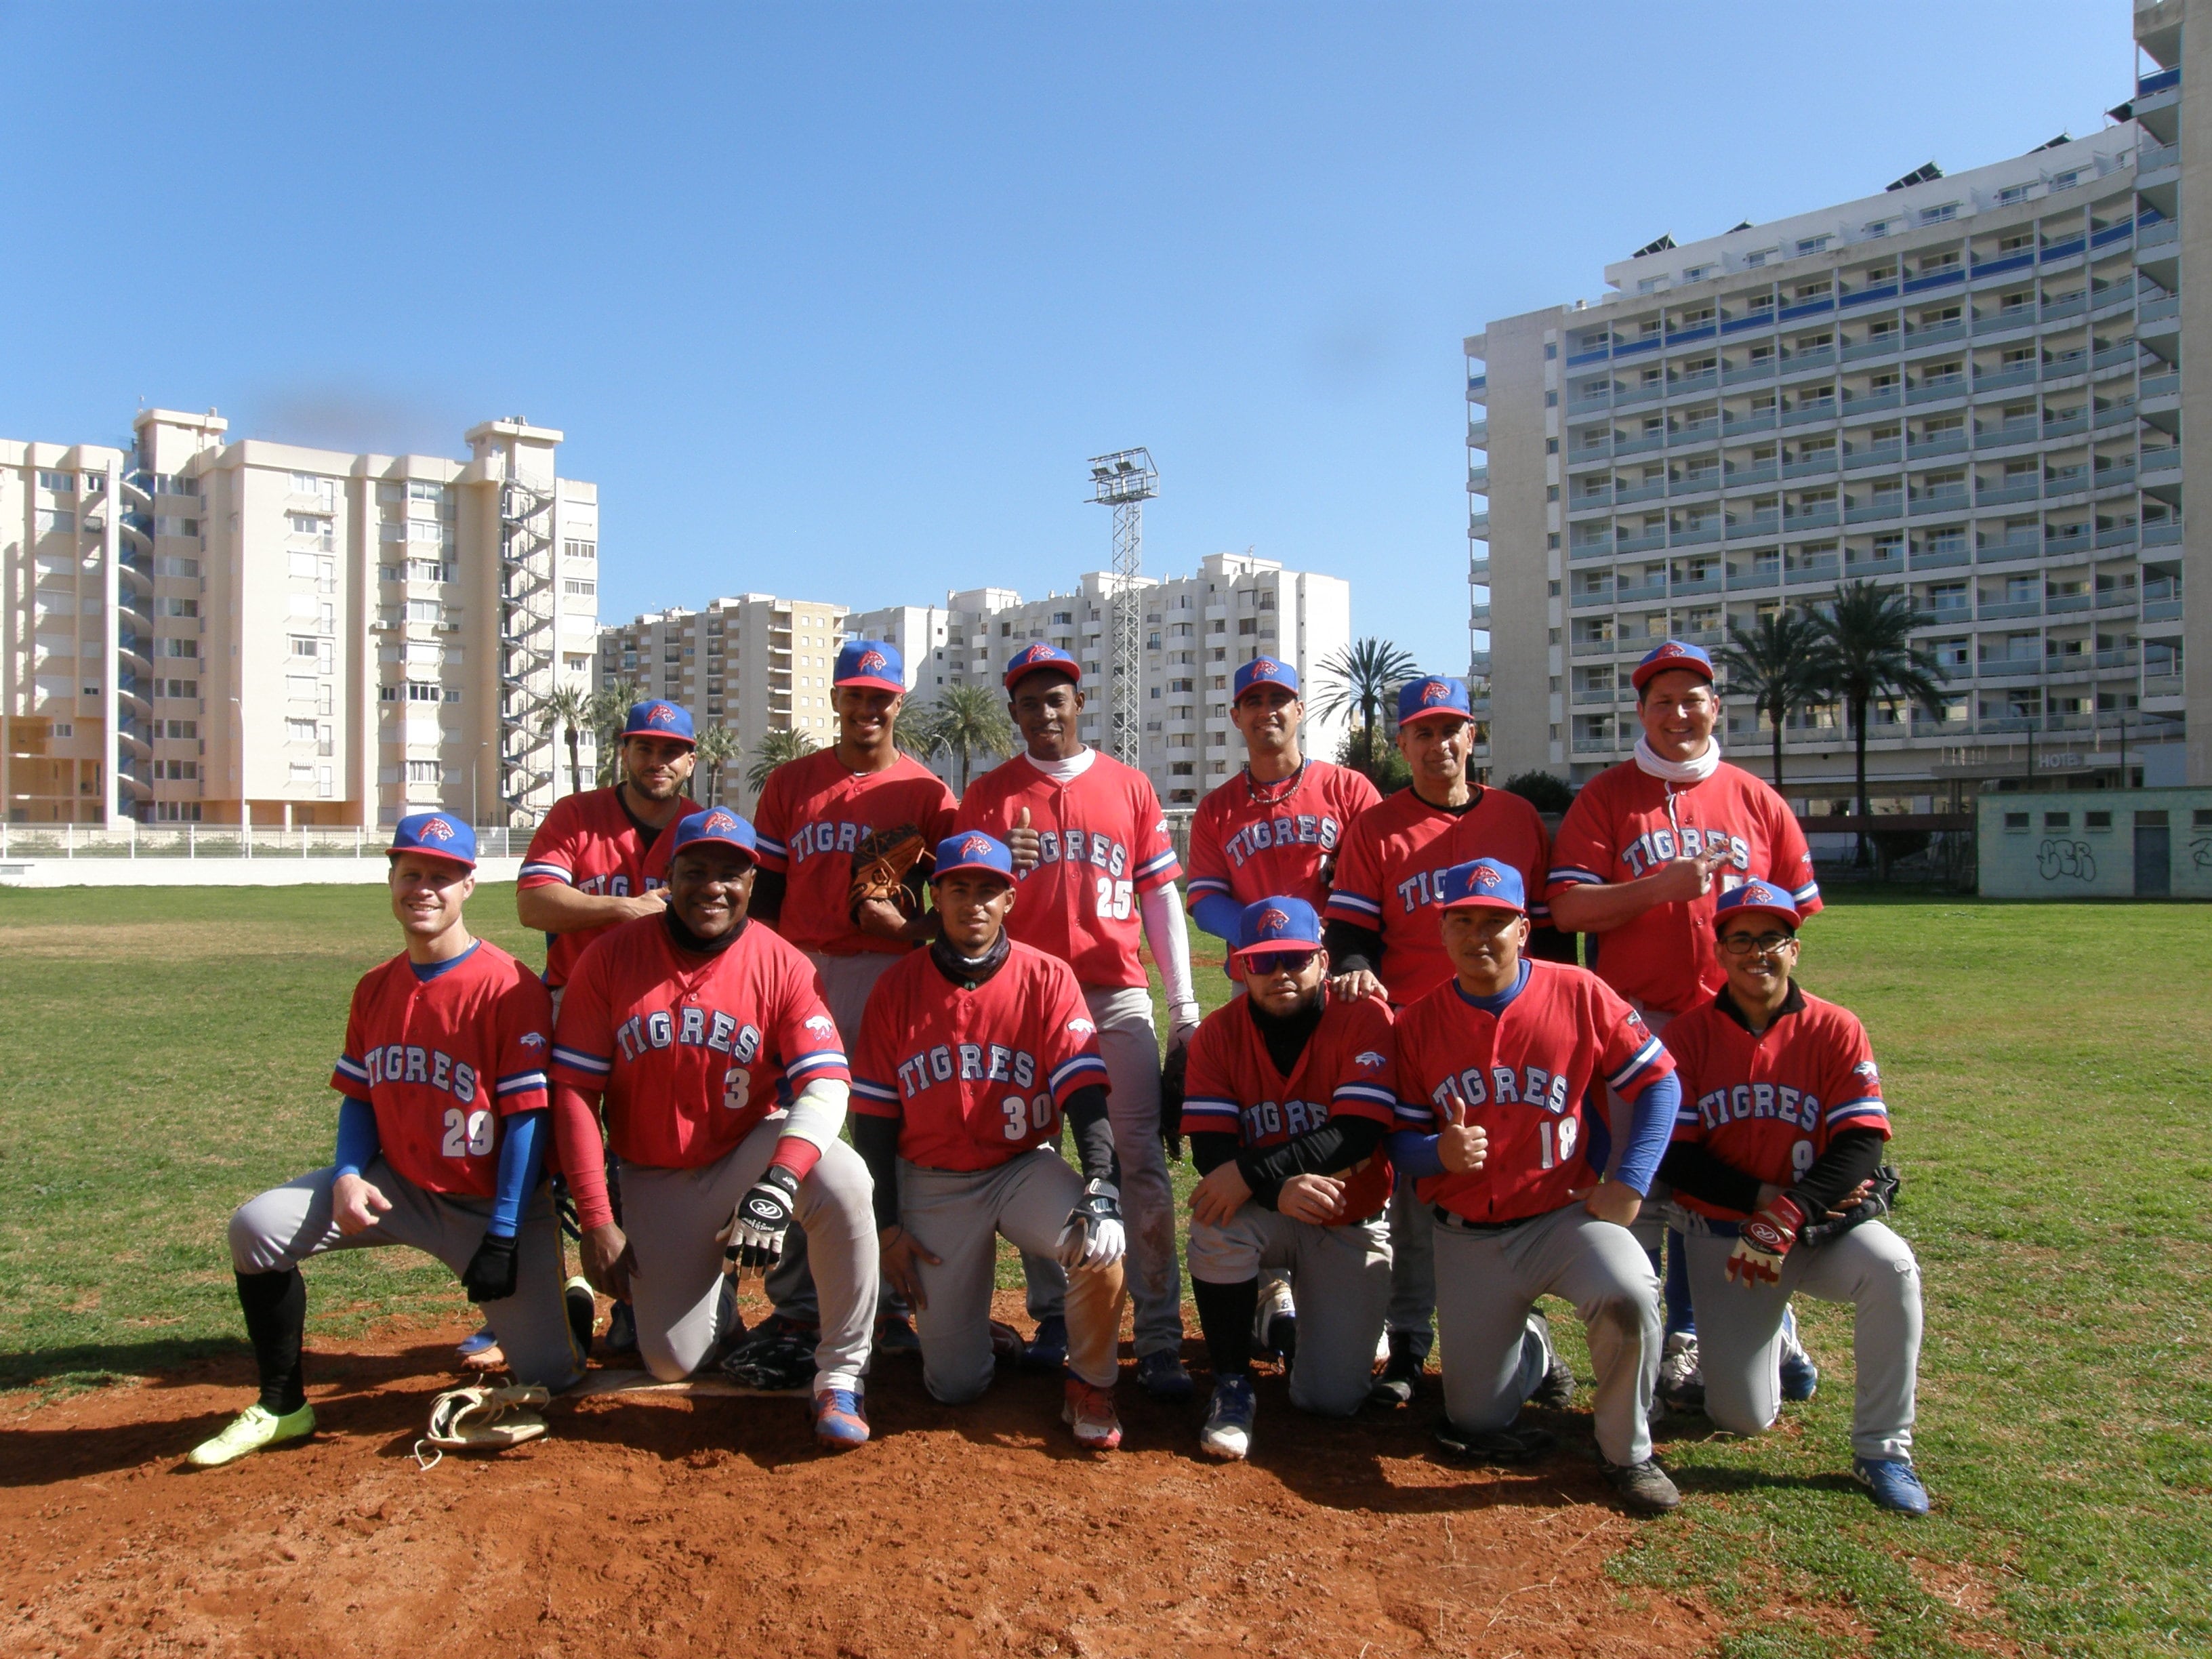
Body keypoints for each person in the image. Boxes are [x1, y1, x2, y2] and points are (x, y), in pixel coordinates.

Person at [190, 814, 585, 1467]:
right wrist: (348, 1173)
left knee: (555, 1379)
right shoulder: (375, 986)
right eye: (410, 874)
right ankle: (284, 1405)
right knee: (255, 1230)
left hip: (491, 1207)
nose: (423, 889)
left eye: (441, 876)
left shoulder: (508, 985)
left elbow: (526, 1119)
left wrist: (508, 1231)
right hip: (395, 1185)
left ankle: (567, 1307)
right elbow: (361, 1098)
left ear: (467, 886)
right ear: (392, 881)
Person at [1545, 640, 1824, 1410]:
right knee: (1647, 1181)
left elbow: (1796, 915)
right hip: (1638, 1023)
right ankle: (1648, 1340)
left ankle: (1742, 1328)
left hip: (1733, 1028)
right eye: (1662, 700)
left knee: (1727, 1184)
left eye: (1692, 698)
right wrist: (1657, 889)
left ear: (1715, 707)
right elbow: (1568, 907)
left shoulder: (1755, 798)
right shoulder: (1607, 797)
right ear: (1640, 711)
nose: (1677, 713)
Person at [548, 807, 880, 1450]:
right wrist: (596, 1219)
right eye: (695, 870)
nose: (713, 887)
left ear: (753, 882)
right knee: (672, 1360)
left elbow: (828, 1081)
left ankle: (842, 1373)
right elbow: (574, 1094)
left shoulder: (781, 962)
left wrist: (780, 1180)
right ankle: (721, 1312)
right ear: (667, 875)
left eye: (731, 873)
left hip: (743, 1152)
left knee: (844, 1177)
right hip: (653, 1174)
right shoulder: (610, 959)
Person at [1388, 858, 1683, 1515]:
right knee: (1476, 1421)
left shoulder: (1579, 992)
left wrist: (1631, 1181)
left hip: (1564, 1217)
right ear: (1442, 932)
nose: (1479, 936)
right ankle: (1536, 1352)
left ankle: (1627, 1452)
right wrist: (1437, 1150)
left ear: (1524, 929)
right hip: (1469, 1239)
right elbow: (1400, 1145)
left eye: (1496, 921)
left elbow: (1659, 1082)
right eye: (1463, 920)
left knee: (1630, 1293)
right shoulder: (1416, 1023)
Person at [951, 642, 1202, 1399]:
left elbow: (1160, 900)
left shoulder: (1128, 786)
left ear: (1079, 703)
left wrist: (1184, 1008)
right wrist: (1005, 865)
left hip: (1112, 992)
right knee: (1033, 1154)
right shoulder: (990, 796)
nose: (1044, 713)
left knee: (1139, 1165)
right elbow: (966, 909)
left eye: (1056, 698)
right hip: (1021, 998)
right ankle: (1055, 1312)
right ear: (1014, 712)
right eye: (1029, 702)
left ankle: (1157, 1333)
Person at [1321, 673, 1564, 1407]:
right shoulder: (1377, 827)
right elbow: (1353, 933)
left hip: (1509, 1033)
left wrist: (1554, 1022)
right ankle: (1409, 1343)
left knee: (1521, 1184)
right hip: (1419, 1035)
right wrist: (1358, 973)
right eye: (1422, 732)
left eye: (1450, 728)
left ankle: (1532, 1340)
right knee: (1419, 1191)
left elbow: (1548, 936)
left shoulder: (1519, 817)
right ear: (1402, 742)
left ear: (1473, 736)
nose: (1438, 744)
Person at [849, 832, 1130, 1449]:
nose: (972, 903)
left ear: (1009, 899)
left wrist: (1102, 1181)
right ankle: (981, 1339)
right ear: (936, 896)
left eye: (987, 890)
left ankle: (1090, 1384)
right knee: (954, 1386)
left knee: (1099, 1244)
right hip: (932, 1180)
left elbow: (1084, 1089)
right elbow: (872, 1120)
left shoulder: (1048, 977)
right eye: (958, 889)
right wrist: (889, 1227)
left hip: (1022, 1168)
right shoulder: (896, 987)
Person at [1660, 881, 1929, 1514]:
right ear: (1719, 951)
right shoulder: (1689, 1037)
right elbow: (1678, 1156)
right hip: (1729, 1236)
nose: (1759, 953)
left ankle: (1884, 1449)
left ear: (1795, 949)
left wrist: (1791, 1211)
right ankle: (1778, 1336)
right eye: (1742, 940)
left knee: (1893, 1268)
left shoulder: (1836, 1027)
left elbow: (1862, 1145)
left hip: (1815, 1230)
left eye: (1773, 939)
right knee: (1741, 1418)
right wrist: (1763, 1202)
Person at [733, 639, 954, 1370]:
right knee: (804, 1133)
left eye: (880, 696)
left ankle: (893, 1302)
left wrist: (914, 928)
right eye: (855, 694)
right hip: (799, 972)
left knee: (891, 1132)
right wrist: (760, 974)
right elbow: (764, 891)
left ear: (898, 704)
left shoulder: (928, 793)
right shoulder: (792, 784)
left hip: (892, 978)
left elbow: (959, 898)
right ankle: (801, 1305)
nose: (867, 708)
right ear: (835, 700)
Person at [1183, 657, 1380, 1359]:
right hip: (1266, 976)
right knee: (1257, 1111)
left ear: (1301, 711)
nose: (1267, 710)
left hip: (1337, 977)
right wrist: (1269, 938)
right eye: (1253, 700)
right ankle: (1270, 1288)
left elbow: (1374, 876)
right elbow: (1204, 897)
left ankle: (1360, 1266)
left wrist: (1327, 948)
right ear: (1236, 717)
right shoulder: (1216, 808)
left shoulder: (1347, 789)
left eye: (1280, 699)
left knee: (1348, 1115)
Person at [1179, 898, 1399, 1459]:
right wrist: (1277, 1191)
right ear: (1240, 968)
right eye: (1263, 961)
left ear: (1324, 962)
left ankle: (1279, 1324)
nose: (1280, 974)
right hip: (1268, 1212)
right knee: (1214, 1218)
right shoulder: (1217, 1034)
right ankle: (1232, 1383)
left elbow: (1355, 1134)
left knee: (1330, 1398)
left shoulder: (1366, 1017)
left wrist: (1258, 1173)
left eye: (1295, 959)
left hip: (1349, 1214)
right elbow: (1211, 1150)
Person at [516, 697, 699, 1355]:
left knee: (646, 1154)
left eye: (671, 750)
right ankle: (532, 1299)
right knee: (548, 1153)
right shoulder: (577, 816)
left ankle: (639, 1299)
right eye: (645, 748)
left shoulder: (700, 825)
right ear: (624, 751)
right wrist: (622, 910)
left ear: (690, 761)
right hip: (575, 1003)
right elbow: (534, 903)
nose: (657, 761)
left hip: (662, 1006)